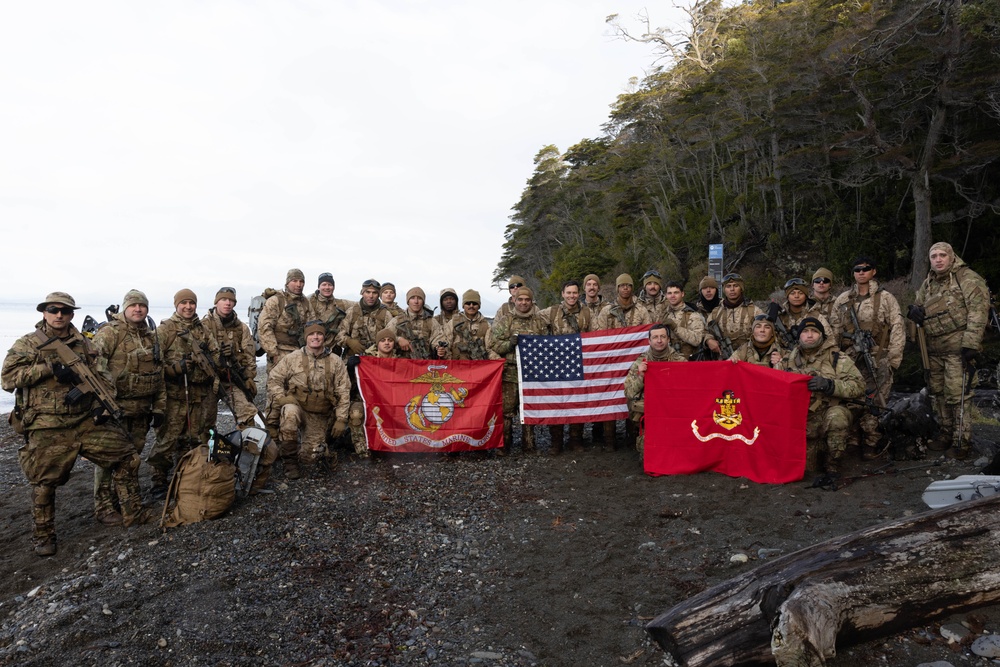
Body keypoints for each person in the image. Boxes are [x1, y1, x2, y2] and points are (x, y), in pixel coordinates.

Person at [2, 292, 150, 555]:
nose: (59, 315)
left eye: (65, 311)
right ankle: (44, 536)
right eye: (53, 310)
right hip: (47, 424)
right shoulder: (28, 343)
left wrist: (99, 407)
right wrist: (48, 369)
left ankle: (132, 513)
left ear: (72, 314)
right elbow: (7, 379)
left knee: (128, 457)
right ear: (44, 312)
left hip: (84, 421)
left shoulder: (84, 344)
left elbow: (102, 377)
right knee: (44, 482)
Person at [91, 289, 165, 525]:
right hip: (114, 410)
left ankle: (126, 501)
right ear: (125, 308)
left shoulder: (151, 337)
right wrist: (100, 406)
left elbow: (159, 374)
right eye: (133, 305)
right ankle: (104, 506)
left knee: (133, 456)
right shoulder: (110, 333)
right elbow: (93, 369)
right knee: (108, 459)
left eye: (142, 306)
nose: (138, 309)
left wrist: (160, 408)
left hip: (141, 410)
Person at [910, 242, 990, 458]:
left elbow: (978, 311)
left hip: (958, 349)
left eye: (942, 255)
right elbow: (918, 305)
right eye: (933, 256)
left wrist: (971, 344)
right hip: (933, 350)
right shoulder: (929, 283)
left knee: (958, 395)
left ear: (952, 257)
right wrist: (914, 311)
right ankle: (945, 434)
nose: (938, 259)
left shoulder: (967, 278)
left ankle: (961, 443)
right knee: (938, 394)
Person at [148, 289, 221, 500]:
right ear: (176, 305)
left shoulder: (203, 329)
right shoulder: (165, 330)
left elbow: (215, 355)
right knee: (166, 440)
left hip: (199, 394)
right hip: (173, 395)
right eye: (184, 303)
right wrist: (173, 370)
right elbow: (153, 363)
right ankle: (158, 482)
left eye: (192, 303)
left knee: (194, 438)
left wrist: (214, 358)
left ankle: (185, 477)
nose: (188, 307)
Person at [832, 256, 904, 459]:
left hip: (878, 357)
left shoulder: (886, 298)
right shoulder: (843, 299)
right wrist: (834, 361)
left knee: (877, 402)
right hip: (849, 359)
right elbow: (834, 331)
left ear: (874, 271)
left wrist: (894, 360)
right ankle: (853, 440)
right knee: (851, 400)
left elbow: (898, 328)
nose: (861, 272)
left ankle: (872, 442)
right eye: (857, 269)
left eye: (866, 269)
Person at [267, 321, 350, 479]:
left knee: (311, 458)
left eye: (319, 334)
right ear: (306, 337)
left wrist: (341, 419)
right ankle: (289, 463)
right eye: (311, 334)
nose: (315, 337)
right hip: (298, 407)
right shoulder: (292, 358)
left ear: (324, 338)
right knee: (290, 414)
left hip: (319, 414)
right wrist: (282, 398)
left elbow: (343, 391)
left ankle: (307, 447)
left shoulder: (335, 361)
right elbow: (273, 379)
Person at [784, 317, 864, 475]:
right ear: (799, 335)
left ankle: (833, 463)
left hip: (827, 411)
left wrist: (831, 385)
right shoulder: (787, 360)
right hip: (801, 419)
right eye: (805, 331)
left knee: (837, 417)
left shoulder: (836, 358)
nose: (809, 335)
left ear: (821, 335)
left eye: (814, 331)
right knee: (807, 469)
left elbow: (859, 385)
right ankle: (817, 449)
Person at [490, 286, 550, 455]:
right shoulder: (505, 321)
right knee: (506, 412)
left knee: (529, 409)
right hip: (510, 374)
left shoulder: (539, 322)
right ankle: (504, 445)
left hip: (531, 374)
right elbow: (494, 345)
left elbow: (546, 346)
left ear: (532, 302)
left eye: (527, 300)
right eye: (520, 299)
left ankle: (529, 445)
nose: (524, 303)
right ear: (514, 300)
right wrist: (510, 343)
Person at [595, 274, 652, 450]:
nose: (625, 288)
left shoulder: (641, 310)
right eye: (622, 286)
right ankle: (609, 439)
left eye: (628, 285)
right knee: (609, 396)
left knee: (633, 395)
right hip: (611, 362)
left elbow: (648, 334)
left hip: (634, 361)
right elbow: (599, 335)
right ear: (617, 288)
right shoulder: (607, 311)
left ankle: (632, 436)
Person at [542, 279, 592, 454]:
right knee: (556, 402)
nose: (572, 296)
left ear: (579, 294)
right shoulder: (552, 311)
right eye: (568, 293)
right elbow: (533, 320)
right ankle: (556, 441)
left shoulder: (586, 313)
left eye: (574, 293)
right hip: (555, 365)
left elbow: (595, 336)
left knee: (577, 401)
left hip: (578, 363)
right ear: (562, 294)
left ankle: (575, 440)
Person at [623, 324, 686, 456]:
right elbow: (628, 392)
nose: (659, 340)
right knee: (649, 454)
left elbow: (691, 389)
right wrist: (641, 376)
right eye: (655, 337)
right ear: (649, 341)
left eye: (662, 337)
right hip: (651, 413)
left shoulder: (679, 361)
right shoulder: (641, 362)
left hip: (674, 413)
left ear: (668, 339)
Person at [202, 287, 259, 430]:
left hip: (232, 380)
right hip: (208, 381)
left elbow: (249, 355)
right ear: (216, 303)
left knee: (247, 414)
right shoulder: (204, 326)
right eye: (223, 300)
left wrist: (249, 377)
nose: (227, 303)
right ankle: (205, 449)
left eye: (231, 300)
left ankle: (248, 447)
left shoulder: (242, 328)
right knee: (204, 422)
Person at [258, 268, 311, 372]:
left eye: (301, 281)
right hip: (280, 351)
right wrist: (273, 352)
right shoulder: (276, 300)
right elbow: (264, 327)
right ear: (287, 283)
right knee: (277, 385)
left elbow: (311, 327)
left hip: (301, 352)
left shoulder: (306, 302)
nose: (298, 284)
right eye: (294, 281)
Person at [705, 273, 763, 359]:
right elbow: (706, 331)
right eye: (728, 286)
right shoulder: (716, 313)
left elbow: (766, 333)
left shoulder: (754, 311)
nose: (732, 289)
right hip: (723, 360)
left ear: (741, 288)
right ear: (724, 290)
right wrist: (708, 340)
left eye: (736, 286)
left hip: (749, 360)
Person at [337, 279, 394, 356]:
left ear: (378, 295)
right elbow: (339, 335)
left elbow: (392, 338)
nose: (371, 296)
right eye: (368, 292)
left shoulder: (385, 314)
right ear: (362, 293)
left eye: (374, 293)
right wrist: (349, 342)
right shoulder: (352, 312)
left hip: (377, 358)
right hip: (353, 358)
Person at [388, 287, 447, 360]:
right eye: (412, 298)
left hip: (424, 365)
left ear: (423, 301)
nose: (416, 301)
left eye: (419, 298)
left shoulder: (431, 321)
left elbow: (438, 338)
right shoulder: (397, 320)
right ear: (408, 301)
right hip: (402, 365)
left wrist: (438, 348)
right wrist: (398, 339)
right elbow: (384, 337)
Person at [442, 290, 497, 361]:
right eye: (468, 303)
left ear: (479, 306)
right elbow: (447, 346)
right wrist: (450, 363)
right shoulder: (453, 322)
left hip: (478, 366)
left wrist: (497, 360)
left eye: (474, 303)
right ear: (463, 305)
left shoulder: (486, 325)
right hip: (458, 366)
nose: (471, 306)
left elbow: (490, 349)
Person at [658, 281, 707, 359]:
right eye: (670, 293)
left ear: (682, 294)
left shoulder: (692, 314)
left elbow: (697, 340)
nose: (672, 296)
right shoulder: (664, 314)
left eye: (676, 293)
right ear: (666, 295)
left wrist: (676, 328)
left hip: (687, 360)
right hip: (668, 360)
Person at [308, 273, 351, 354]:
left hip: (332, 351)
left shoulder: (342, 304)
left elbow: (360, 305)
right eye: (324, 284)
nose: (327, 287)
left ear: (333, 287)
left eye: (330, 285)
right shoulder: (309, 302)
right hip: (312, 348)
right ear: (319, 287)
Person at [808, 268, 839, 333]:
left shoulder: (838, 303)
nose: (821, 283)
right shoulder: (805, 303)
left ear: (830, 285)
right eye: (817, 280)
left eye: (825, 280)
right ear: (812, 285)